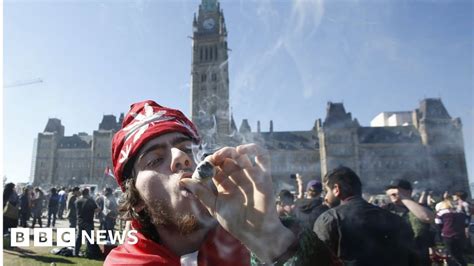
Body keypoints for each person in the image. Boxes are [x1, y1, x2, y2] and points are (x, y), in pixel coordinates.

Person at [104, 100, 336, 265]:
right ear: (136, 200)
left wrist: (272, 240)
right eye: (155, 160)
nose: (180, 158)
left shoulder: (269, 240)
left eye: (187, 149)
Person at [313, 166, 418, 266]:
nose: (325, 197)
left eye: (326, 191)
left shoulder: (330, 219)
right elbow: (412, 257)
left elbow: (317, 259)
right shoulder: (395, 220)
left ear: (336, 189)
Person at [383, 179, 435, 266]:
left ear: (409, 191)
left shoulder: (420, 207)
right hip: (395, 257)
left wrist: (403, 198)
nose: (393, 193)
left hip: (419, 257)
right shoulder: (385, 209)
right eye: (390, 189)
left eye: (397, 189)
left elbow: (427, 217)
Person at [435, 199, 469, 266]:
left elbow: (438, 223)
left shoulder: (441, 212)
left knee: (451, 254)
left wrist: (443, 228)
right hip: (461, 236)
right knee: (459, 253)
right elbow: (466, 223)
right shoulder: (461, 212)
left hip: (448, 236)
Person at [75, 188, 101, 258]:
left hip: (80, 221)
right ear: (88, 193)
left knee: (79, 238)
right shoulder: (90, 200)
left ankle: (76, 252)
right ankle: (90, 253)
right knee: (89, 238)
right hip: (88, 221)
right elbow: (97, 209)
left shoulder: (78, 200)